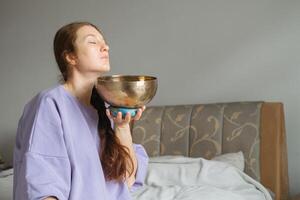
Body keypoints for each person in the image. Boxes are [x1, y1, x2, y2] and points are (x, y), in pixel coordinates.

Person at [13, 21, 149, 200]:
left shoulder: (105, 108)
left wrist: (122, 127)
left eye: (104, 42)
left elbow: (126, 180)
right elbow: (43, 179)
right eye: (93, 42)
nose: (105, 47)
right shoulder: (50, 103)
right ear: (71, 57)